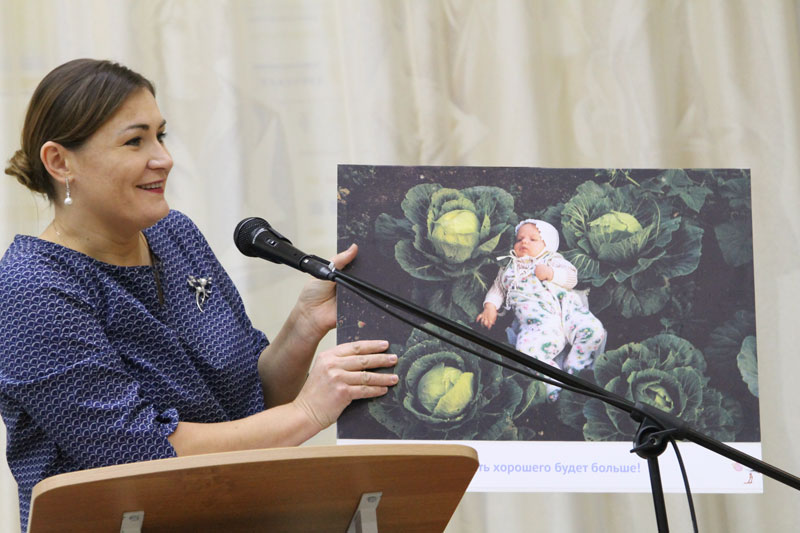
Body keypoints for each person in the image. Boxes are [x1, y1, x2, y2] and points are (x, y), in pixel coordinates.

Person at [0, 58, 397, 530]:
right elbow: (140, 453)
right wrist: (310, 411)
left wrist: (304, 324)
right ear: (59, 162)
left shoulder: (175, 235)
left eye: (161, 135)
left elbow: (251, 400)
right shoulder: (32, 286)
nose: (164, 158)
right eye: (135, 141)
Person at [476, 219, 606, 400]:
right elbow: (498, 289)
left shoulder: (551, 259)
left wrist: (551, 273)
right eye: (519, 239)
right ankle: (554, 385)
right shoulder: (508, 267)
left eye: (533, 239)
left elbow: (571, 278)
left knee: (593, 330)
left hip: (567, 310)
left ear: (548, 244)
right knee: (527, 350)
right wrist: (490, 307)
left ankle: (575, 368)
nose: (524, 242)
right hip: (537, 323)